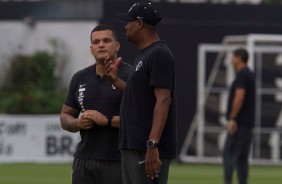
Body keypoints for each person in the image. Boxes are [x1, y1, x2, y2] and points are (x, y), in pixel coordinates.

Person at [105, 2, 177, 184]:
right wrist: (116, 82)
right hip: (133, 144)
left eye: (128, 21)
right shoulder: (144, 54)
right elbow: (137, 95)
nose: (125, 26)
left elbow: (163, 100)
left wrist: (152, 144)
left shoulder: (159, 54)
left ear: (139, 23)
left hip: (145, 147)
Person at [60, 24, 131, 184]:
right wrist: (77, 123)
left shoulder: (130, 75)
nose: (101, 45)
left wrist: (105, 120)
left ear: (117, 45)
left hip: (118, 160)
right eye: (96, 42)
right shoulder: (80, 77)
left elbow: (140, 120)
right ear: (91, 48)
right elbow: (65, 116)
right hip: (84, 160)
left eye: (106, 40)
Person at [223, 48, 255, 184]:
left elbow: (239, 97)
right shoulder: (249, 74)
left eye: (233, 57)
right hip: (248, 124)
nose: (231, 60)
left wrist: (232, 118)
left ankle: (228, 181)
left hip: (239, 123)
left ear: (239, 58)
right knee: (242, 157)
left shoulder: (242, 75)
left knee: (229, 153)